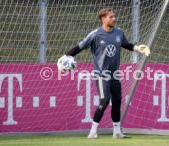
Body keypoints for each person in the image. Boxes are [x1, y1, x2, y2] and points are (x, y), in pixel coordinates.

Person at [57, 8, 150, 139]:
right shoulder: (95, 34)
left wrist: (137, 48)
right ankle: (93, 131)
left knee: (117, 101)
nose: (114, 18)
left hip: (115, 75)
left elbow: (126, 45)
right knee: (105, 100)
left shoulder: (119, 33)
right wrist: (64, 57)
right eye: (111, 17)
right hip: (101, 75)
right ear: (103, 19)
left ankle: (117, 132)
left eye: (114, 16)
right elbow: (79, 47)